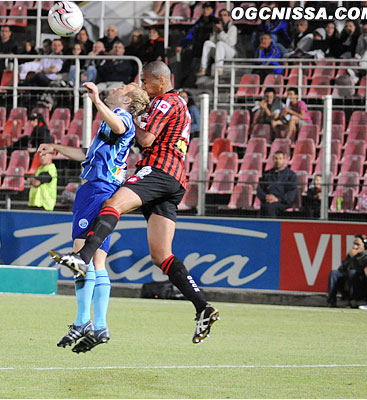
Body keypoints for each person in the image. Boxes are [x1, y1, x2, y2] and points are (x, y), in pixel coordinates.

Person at [50, 61, 220, 345]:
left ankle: (81, 258)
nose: (143, 86)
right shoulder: (177, 105)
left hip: (159, 169)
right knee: (161, 255)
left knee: (113, 205)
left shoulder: (167, 100)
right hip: (175, 180)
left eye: (145, 81)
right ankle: (202, 306)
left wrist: (134, 118)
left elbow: (147, 137)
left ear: (161, 82)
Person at [40, 81, 149, 353]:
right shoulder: (111, 123)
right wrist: (57, 148)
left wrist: (96, 100)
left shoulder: (122, 117)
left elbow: (121, 127)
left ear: (127, 101)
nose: (116, 88)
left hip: (97, 189)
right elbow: (89, 154)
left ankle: (82, 321)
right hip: (103, 188)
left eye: (122, 89)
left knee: (80, 256)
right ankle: (99, 325)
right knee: (98, 261)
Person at [176, 2, 217, 87]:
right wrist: (182, 44)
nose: (206, 11)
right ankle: (190, 85)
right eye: (204, 9)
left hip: (210, 51)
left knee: (207, 71)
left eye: (208, 9)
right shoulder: (199, 22)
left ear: (212, 10)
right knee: (193, 68)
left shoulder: (215, 22)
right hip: (198, 49)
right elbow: (191, 34)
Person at [327, 234, 367, 308]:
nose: (355, 247)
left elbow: (362, 270)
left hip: (361, 284)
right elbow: (342, 268)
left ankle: (352, 301)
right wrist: (350, 258)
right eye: (354, 244)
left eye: (357, 244)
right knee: (334, 273)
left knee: (352, 272)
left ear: (365, 245)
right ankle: (331, 301)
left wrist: (356, 257)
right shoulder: (351, 254)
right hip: (348, 281)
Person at [256, 151, 297, 217]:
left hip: (283, 202)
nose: (278, 161)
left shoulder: (291, 175)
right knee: (264, 208)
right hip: (268, 201)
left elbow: (291, 191)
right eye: (276, 158)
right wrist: (266, 197)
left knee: (269, 208)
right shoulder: (267, 174)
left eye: (280, 158)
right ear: (273, 160)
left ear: (284, 160)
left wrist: (278, 199)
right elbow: (259, 189)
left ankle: (271, 226)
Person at [197, 8, 237, 77]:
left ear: (229, 17)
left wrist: (221, 31)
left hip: (230, 52)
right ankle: (203, 68)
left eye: (225, 15)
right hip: (219, 52)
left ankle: (219, 69)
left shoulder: (233, 28)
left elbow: (231, 43)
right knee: (207, 43)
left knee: (220, 43)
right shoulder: (217, 28)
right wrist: (214, 33)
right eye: (221, 15)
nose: (222, 17)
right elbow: (212, 42)